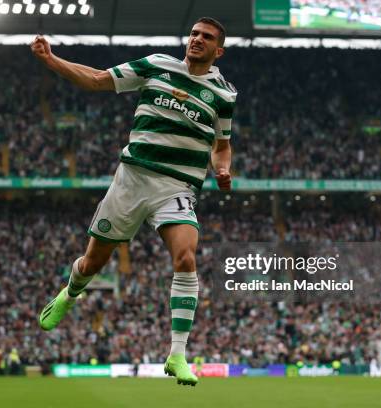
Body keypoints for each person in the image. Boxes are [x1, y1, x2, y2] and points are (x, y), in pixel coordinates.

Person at [31, 16, 237, 387]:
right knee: (94, 261)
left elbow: (221, 146)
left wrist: (222, 170)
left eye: (206, 37)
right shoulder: (155, 65)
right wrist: (52, 60)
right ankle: (70, 294)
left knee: (187, 256)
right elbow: (96, 79)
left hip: (176, 187)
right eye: (193, 33)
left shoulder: (223, 94)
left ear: (218, 50)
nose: (196, 40)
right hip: (132, 180)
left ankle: (177, 354)